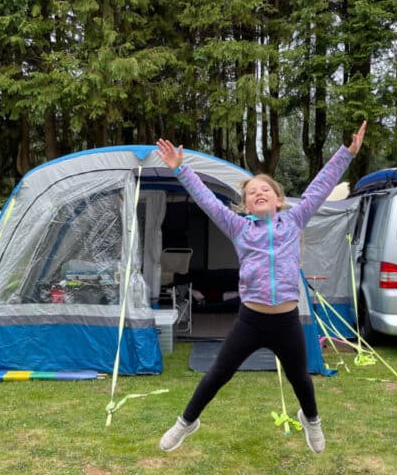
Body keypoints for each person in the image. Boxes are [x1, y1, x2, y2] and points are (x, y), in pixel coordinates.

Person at [155, 121, 367, 454]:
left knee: (301, 380)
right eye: (252, 193)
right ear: (246, 206)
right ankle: (186, 422)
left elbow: (320, 187)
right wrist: (181, 170)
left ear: (279, 200)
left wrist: (347, 153)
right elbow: (208, 201)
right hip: (251, 321)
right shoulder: (239, 228)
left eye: (265, 190)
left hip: (286, 321)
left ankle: (312, 421)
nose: (259, 194)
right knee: (217, 374)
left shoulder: (295, 220)